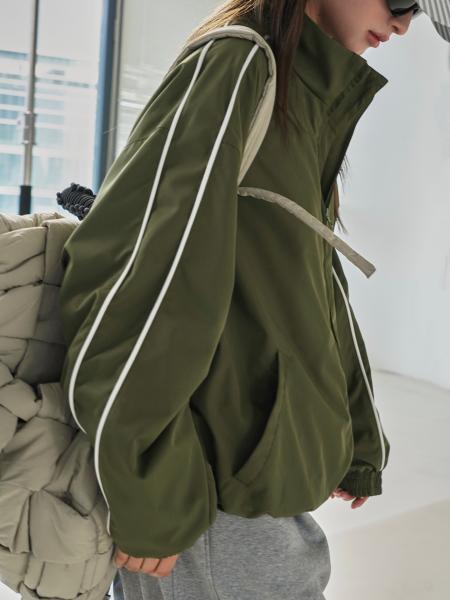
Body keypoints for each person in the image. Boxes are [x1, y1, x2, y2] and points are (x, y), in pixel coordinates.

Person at [58, 1, 430, 599]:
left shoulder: (302, 92)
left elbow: (313, 283)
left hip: (255, 477)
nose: (405, 22)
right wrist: (147, 484)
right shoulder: (238, 64)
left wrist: (356, 432)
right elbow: (147, 281)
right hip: (204, 489)